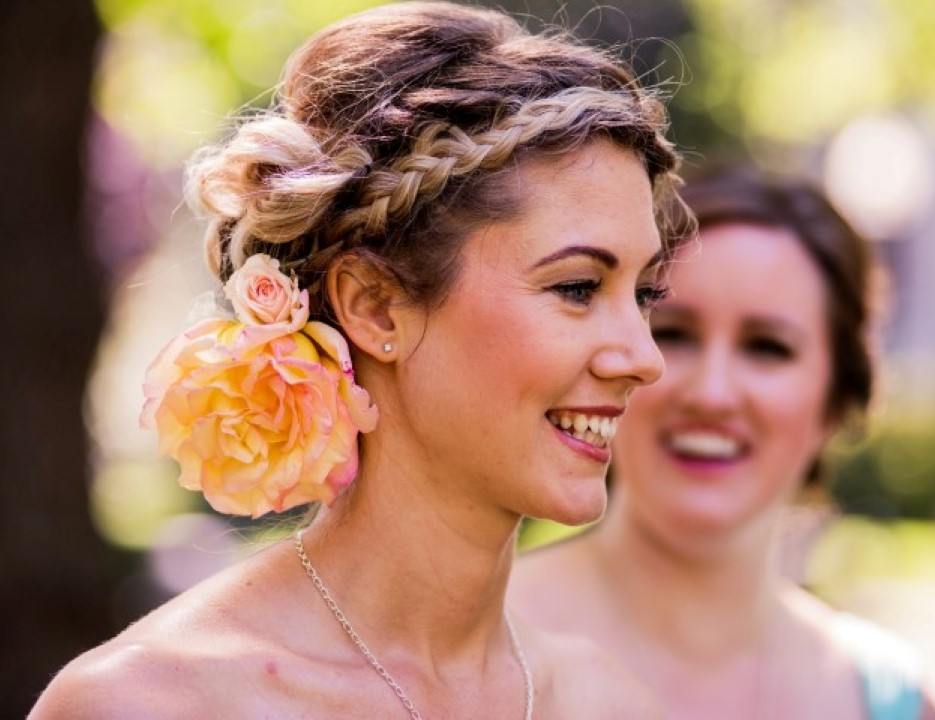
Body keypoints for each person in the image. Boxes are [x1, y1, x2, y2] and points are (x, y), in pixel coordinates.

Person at [30, 3, 693, 717]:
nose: (642, 358)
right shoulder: (153, 704)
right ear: (374, 307)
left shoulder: (607, 702)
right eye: (578, 288)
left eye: (646, 293)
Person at [509, 167, 935, 720]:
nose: (712, 394)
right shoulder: (467, 648)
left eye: (767, 348)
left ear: (836, 400)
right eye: (674, 333)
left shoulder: (885, 699)